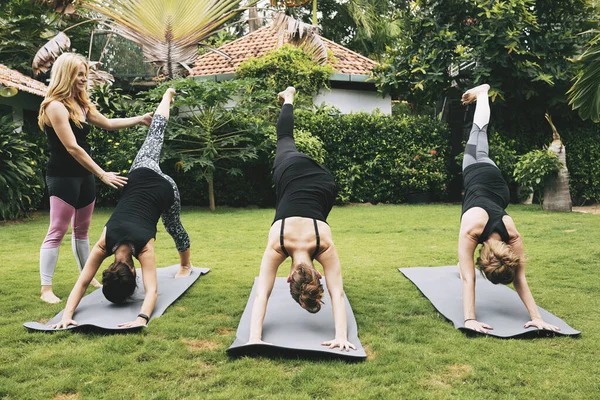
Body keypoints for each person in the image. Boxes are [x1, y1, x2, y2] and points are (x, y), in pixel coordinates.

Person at [51, 88, 192, 329]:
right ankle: (167, 95)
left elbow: (152, 291)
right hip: (141, 173)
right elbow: (82, 283)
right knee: (155, 132)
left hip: (166, 190)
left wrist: (141, 318)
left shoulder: (144, 249)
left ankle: (185, 265)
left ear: (134, 273)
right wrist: (66, 314)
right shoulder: (104, 242)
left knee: (174, 227)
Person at [38, 52, 153, 303]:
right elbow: (72, 147)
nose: (83, 79)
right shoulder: (55, 106)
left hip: (83, 176)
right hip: (63, 176)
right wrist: (101, 173)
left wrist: (140, 119)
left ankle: (87, 276)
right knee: (57, 230)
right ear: (66, 74)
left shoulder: (80, 106)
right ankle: (46, 288)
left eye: (85, 74)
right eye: (79, 74)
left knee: (82, 231)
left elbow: (108, 123)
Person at [247, 87, 356, 351]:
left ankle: (290, 97)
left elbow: (336, 293)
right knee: (285, 139)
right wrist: (253, 336)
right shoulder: (277, 244)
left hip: (325, 182)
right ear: (289, 279)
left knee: (288, 142)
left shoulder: (324, 244)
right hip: (292, 170)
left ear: (317, 274)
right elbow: (262, 292)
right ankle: (290, 97)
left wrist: (255, 339)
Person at [458, 84, 559, 333]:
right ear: (481, 258)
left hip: (498, 184)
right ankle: (483, 92)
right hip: (475, 171)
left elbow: (520, 278)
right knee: (478, 131)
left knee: (481, 136)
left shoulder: (511, 233)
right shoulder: (471, 230)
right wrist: (469, 318)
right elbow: (467, 276)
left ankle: (482, 95)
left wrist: (538, 317)